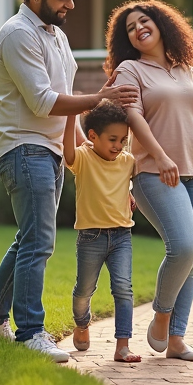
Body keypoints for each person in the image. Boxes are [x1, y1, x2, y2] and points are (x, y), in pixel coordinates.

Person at [0, 0, 138, 362]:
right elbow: (44, 103)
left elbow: (68, 107)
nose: (71, 6)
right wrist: (103, 98)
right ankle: (30, 333)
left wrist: (89, 159)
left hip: (51, 151)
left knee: (28, 240)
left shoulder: (56, 35)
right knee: (39, 243)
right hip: (23, 148)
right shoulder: (17, 35)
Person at [105, 0, 193, 362]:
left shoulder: (187, 70)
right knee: (183, 246)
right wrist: (161, 156)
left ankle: (177, 339)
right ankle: (162, 317)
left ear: (162, 23)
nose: (137, 29)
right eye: (130, 28)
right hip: (155, 172)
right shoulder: (129, 70)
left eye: (143, 20)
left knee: (191, 255)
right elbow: (134, 118)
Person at [63, 100, 141, 364]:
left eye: (123, 140)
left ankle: (122, 346)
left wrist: (130, 195)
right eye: (112, 139)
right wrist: (71, 114)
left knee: (123, 289)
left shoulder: (128, 161)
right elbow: (68, 154)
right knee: (85, 290)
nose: (118, 146)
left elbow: (123, 185)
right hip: (90, 237)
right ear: (93, 136)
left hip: (121, 236)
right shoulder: (83, 157)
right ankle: (82, 324)